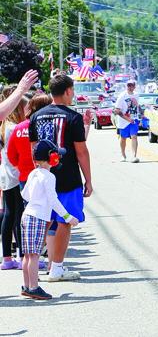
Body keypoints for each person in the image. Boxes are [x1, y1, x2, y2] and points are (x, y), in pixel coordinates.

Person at [29, 74, 92, 282]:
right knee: (65, 221)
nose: (73, 94)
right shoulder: (72, 117)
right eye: (72, 90)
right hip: (68, 178)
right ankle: (56, 268)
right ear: (67, 91)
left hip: (44, 174)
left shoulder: (36, 117)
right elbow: (81, 151)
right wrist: (88, 180)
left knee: (45, 220)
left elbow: (34, 150)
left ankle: (33, 267)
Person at [20, 140, 79, 300]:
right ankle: (34, 287)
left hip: (26, 215)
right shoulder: (49, 177)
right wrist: (68, 217)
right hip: (37, 218)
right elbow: (53, 201)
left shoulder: (33, 173)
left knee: (27, 255)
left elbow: (24, 195)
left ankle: (26, 285)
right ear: (51, 157)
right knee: (34, 255)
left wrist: (36, 198)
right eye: (56, 154)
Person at [1, 88, 27, 270]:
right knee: (18, 215)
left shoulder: (5, 126)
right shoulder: (12, 128)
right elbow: (14, 154)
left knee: (9, 215)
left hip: (6, 173)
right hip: (15, 174)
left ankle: (7, 258)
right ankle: (21, 255)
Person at [113, 79, 140, 163]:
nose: (129, 87)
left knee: (134, 136)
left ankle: (134, 156)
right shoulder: (122, 96)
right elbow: (117, 110)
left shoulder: (136, 95)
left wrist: (141, 115)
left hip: (134, 119)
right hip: (123, 121)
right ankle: (123, 154)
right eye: (128, 85)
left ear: (134, 86)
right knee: (123, 138)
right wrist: (127, 119)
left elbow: (137, 106)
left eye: (131, 85)